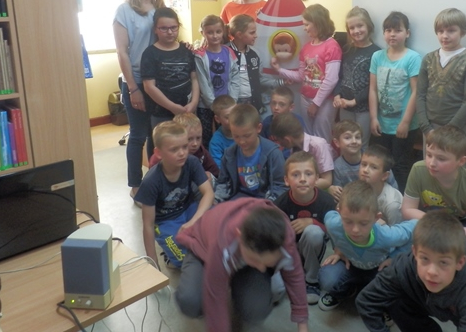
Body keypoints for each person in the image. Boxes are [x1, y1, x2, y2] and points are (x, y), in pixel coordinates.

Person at [175, 198, 309, 332]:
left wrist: (302, 325)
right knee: (190, 301)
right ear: (239, 236)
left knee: (256, 309)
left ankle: (239, 280)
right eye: (255, 260)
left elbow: (295, 277)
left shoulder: (285, 238)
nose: (261, 268)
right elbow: (215, 295)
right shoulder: (222, 243)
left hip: (242, 262)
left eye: (268, 263)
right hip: (204, 250)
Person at [355, 211, 466, 332]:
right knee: (395, 299)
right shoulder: (403, 266)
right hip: (426, 298)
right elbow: (366, 301)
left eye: (443, 262)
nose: (432, 271)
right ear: (415, 253)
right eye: (425, 259)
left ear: (460, 263)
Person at [402, 125, 466, 267]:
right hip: (429, 220)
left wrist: (453, 232)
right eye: (429, 155)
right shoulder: (418, 170)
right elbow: (407, 210)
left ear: (461, 161)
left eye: (441, 158)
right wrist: (438, 226)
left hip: (461, 223)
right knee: (403, 249)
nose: (432, 163)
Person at [318, 180, 417, 311]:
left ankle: (370, 292)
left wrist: (395, 257)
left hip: (378, 269)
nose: (355, 230)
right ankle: (349, 290)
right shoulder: (333, 223)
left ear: (376, 218)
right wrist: (338, 249)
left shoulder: (386, 236)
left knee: (397, 284)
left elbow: (415, 225)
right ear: (340, 213)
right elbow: (329, 217)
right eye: (348, 221)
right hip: (350, 266)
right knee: (327, 279)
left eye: (363, 223)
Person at [113, 0, 165, 201]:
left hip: (158, 81)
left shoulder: (159, 8)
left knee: (157, 133)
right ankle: (136, 185)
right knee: (137, 135)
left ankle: (157, 180)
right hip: (136, 81)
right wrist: (133, 88)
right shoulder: (124, 10)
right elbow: (122, 52)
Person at [134, 121, 214, 269]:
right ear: (158, 153)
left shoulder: (192, 162)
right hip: (165, 221)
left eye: (184, 146)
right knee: (184, 260)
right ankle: (170, 257)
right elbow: (148, 225)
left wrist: (193, 221)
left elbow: (208, 193)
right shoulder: (151, 181)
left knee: (215, 225)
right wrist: (153, 264)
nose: (182, 153)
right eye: (174, 149)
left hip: (189, 209)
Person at [271, 3, 342, 142]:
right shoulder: (306, 48)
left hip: (324, 101)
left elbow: (331, 79)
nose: (304, 28)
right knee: (308, 136)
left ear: (318, 23)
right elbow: (301, 76)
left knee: (321, 138)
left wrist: (316, 104)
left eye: (307, 24)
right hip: (305, 98)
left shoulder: (332, 46)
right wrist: (279, 70)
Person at [416, 7, 466, 157]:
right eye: (440, 31)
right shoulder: (428, 59)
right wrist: (426, 128)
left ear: (462, 32)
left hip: (458, 129)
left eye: (451, 31)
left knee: (455, 169)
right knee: (431, 167)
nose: (445, 36)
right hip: (430, 129)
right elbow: (420, 95)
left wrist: (449, 130)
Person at [274, 151, 336, 305]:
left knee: (313, 232)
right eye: (295, 175)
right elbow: (274, 234)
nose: (302, 179)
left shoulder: (327, 201)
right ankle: (293, 272)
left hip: (314, 247)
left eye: (308, 174)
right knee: (275, 290)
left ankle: (311, 281)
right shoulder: (280, 204)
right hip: (289, 248)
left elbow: (334, 231)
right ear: (286, 180)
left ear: (317, 178)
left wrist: (313, 222)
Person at [369, 11, 421, 192]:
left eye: (398, 30)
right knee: (380, 164)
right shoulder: (377, 56)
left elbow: (416, 92)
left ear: (407, 33)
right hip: (381, 124)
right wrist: (373, 118)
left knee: (400, 166)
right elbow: (372, 89)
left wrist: (405, 122)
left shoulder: (412, 58)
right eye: (388, 30)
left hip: (404, 126)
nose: (392, 34)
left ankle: (401, 202)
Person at [214, 103, 288, 203]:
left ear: (258, 128)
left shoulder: (273, 153)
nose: (241, 141)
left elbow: (281, 186)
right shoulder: (229, 154)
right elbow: (223, 183)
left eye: (247, 136)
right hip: (238, 200)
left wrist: (268, 204)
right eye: (236, 136)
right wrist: (217, 199)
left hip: (264, 201)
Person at [141, 7, 199, 129]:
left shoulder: (186, 50)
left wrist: (194, 103)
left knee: (188, 139)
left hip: (187, 109)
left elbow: (194, 78)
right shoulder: (150, 53)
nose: (169, 32)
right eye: (163, 28)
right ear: (155, 29)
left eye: (173, 27)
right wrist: (172, 107)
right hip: (161, 113)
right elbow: (149, 87)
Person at [333, 6, 381, 145]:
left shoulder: (376, 53)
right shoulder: (346, 50)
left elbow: (373, 85)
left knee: (360, 143)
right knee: (345, 142)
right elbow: (340, 76)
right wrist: (337, 95)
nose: (356, 31)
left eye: (360, 26)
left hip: (364, 109)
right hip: (345, 107)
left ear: (368, 26)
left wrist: (355, 101)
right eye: (352, 28)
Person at [194, 15, 240, 148]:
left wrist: (232, 101)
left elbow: (235, 77)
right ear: (203, 33)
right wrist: (213, 106)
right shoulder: (200, 56)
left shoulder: (229, 52)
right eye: (210, 32)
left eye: (218, 32)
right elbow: (202, 82)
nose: (214, 36)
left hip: (227, 105)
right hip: (206, 105)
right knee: (206, 137)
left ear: (223, 31)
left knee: (228, 134)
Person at [329, 120, 398, 203]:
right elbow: (339, 194)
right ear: (337, 142)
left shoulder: (374, 158)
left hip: (381, 201)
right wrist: (332, 189)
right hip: (355, 203)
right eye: (348, 138)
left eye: (357, 137)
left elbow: (393, 187)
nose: (354, 141)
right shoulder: (337, 166)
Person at [148, 113, 220, 188]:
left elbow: (216, 172)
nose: (195, 144)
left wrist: (210, 176)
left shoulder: (201, 151)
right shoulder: (158, 160)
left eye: (198, 138)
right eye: (189, 139)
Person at [227, 13, 281, 113]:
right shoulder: (225, 52)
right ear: (239, 34)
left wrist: (280, 82)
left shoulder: (255, 54)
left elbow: (259, 78)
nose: (256, 36)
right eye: (252, 33)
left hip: (254, 102)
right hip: (233, 104)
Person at [270, 112, 334, 190]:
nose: (279, 144)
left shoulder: (318, 145)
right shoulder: (294, 148)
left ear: (287, 140)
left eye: (279, 140)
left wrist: (299, 186)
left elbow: (327, 181)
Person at [359, 145, 404, 225]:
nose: (365, 170)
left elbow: (397, 231)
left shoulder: (392, 203)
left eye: (374, 167)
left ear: (385, 176)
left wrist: (379, 225)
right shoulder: (357, 189)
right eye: (364, 164)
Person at [208, 94, 237, 169]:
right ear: (217, 119)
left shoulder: (245, 132)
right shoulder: (215, 142)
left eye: (235, 114)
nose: (232, 119)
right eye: (227, 117)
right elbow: (219, 169)